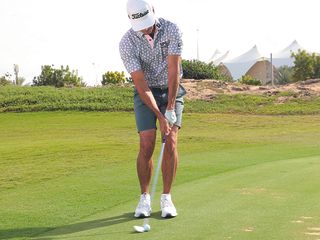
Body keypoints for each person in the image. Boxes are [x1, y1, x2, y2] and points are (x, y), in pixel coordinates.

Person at [119, 0, 185, 218]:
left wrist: (170, 107)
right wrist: (159, 115)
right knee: (147, 143)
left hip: (171, 89)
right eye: (141, 25)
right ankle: (144, 198)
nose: (146, 28)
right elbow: (140, 83)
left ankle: (167, 198)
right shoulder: (127, 42)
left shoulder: (172, 29)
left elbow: (173, 71)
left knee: (170, 142)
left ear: (153, 11)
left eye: (147, 23)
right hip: (146, 93)